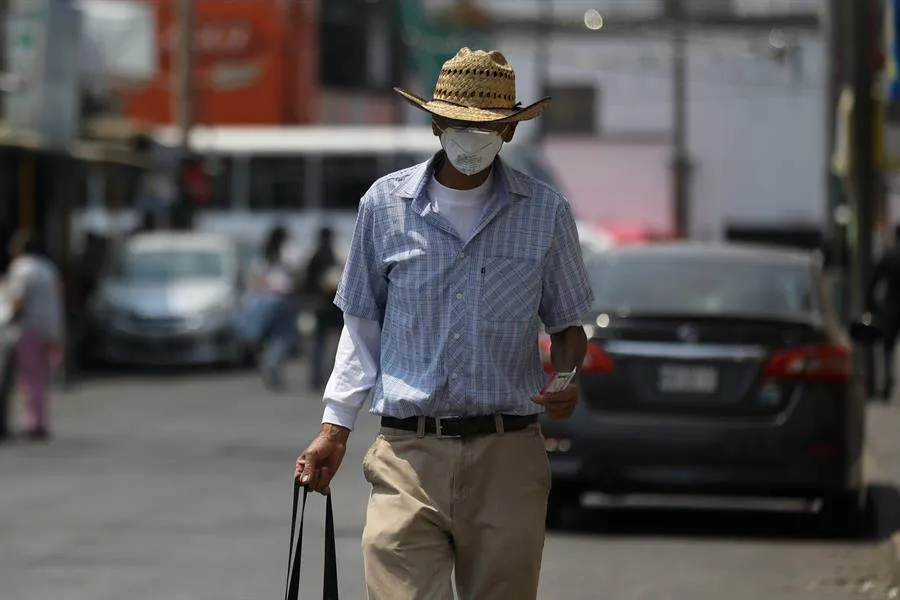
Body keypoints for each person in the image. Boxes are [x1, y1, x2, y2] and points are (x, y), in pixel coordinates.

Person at [294, 48, 594, 600]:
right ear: (436, 123)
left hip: (508, 456)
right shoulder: (383, 206)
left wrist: (566, 379)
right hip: (408, 455)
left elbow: (570, 324)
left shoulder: (545, 213)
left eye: (488, 126)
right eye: (460, 123)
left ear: (508, 131)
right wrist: (333, 429)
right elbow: (362, 328)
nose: (473, 137)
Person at [6, 231, 64, 440]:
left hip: (28, 329)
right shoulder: (48, 268)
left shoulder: (21, 268)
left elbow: (18, 300)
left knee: (28, 379)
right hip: (50, 329)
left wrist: (9, 318)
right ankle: (39, 420)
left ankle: (34, 423)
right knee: (41, 378)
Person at [303, 226, 344, 390]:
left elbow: (307, 282)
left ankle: (316, 378)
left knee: (318, 344)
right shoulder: (331, 255)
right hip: (331, 305)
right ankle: (331, 376)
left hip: (319, 305)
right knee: (339, 343)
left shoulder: (314, 255)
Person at [867, 226, 900, 399]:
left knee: (887, 348)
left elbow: (874, 281)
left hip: (890, 310)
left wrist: (870, 305)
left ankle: (887, 382)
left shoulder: (889, 256)